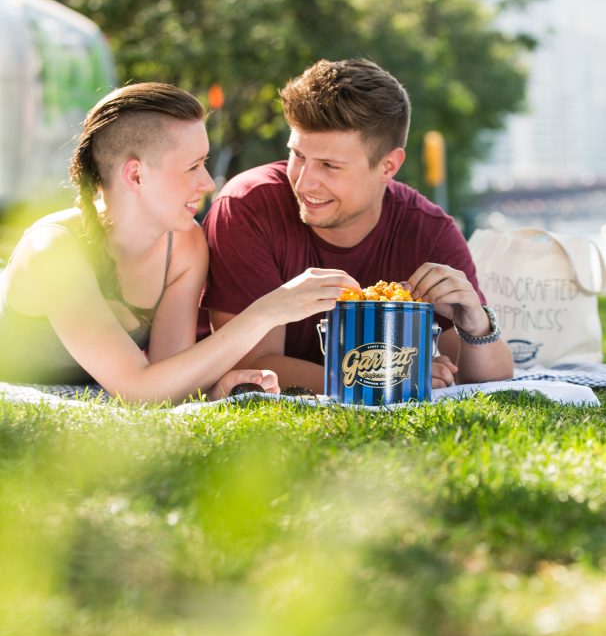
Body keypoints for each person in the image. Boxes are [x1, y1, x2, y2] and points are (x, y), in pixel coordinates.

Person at [0, 82, 358, 402]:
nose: (207, 183)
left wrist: (216, 389)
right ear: (136, 174)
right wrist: (268, 311)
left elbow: (168, 380)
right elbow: (138, 391)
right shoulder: (54, 249)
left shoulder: (183, 245)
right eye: (192, 167)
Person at [203, 58, 513, 391]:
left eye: (329, 166)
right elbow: (252, 366)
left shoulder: (428, 230)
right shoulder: (248, 207)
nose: (305, 184)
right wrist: (390, 381)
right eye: (298, 156)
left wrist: (475, 323)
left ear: (388, 166)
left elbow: (483, 379)